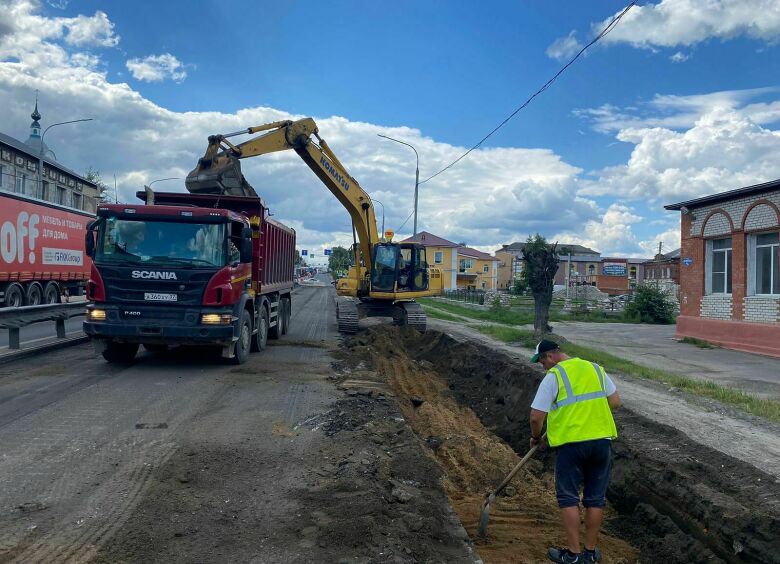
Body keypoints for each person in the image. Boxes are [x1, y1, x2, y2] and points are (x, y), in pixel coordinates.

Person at [528, 339, 621, 564]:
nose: (543, 367)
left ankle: (573, 555)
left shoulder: (554, 376)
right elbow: (615, 401)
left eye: (542, 362)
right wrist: (588, 413)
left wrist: (536, 437)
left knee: (568, 497)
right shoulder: (595, 368)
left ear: (549, 356)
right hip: (601, 443)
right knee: (595, 499)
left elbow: (536, 417)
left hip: (572, 445)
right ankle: (590, 553)